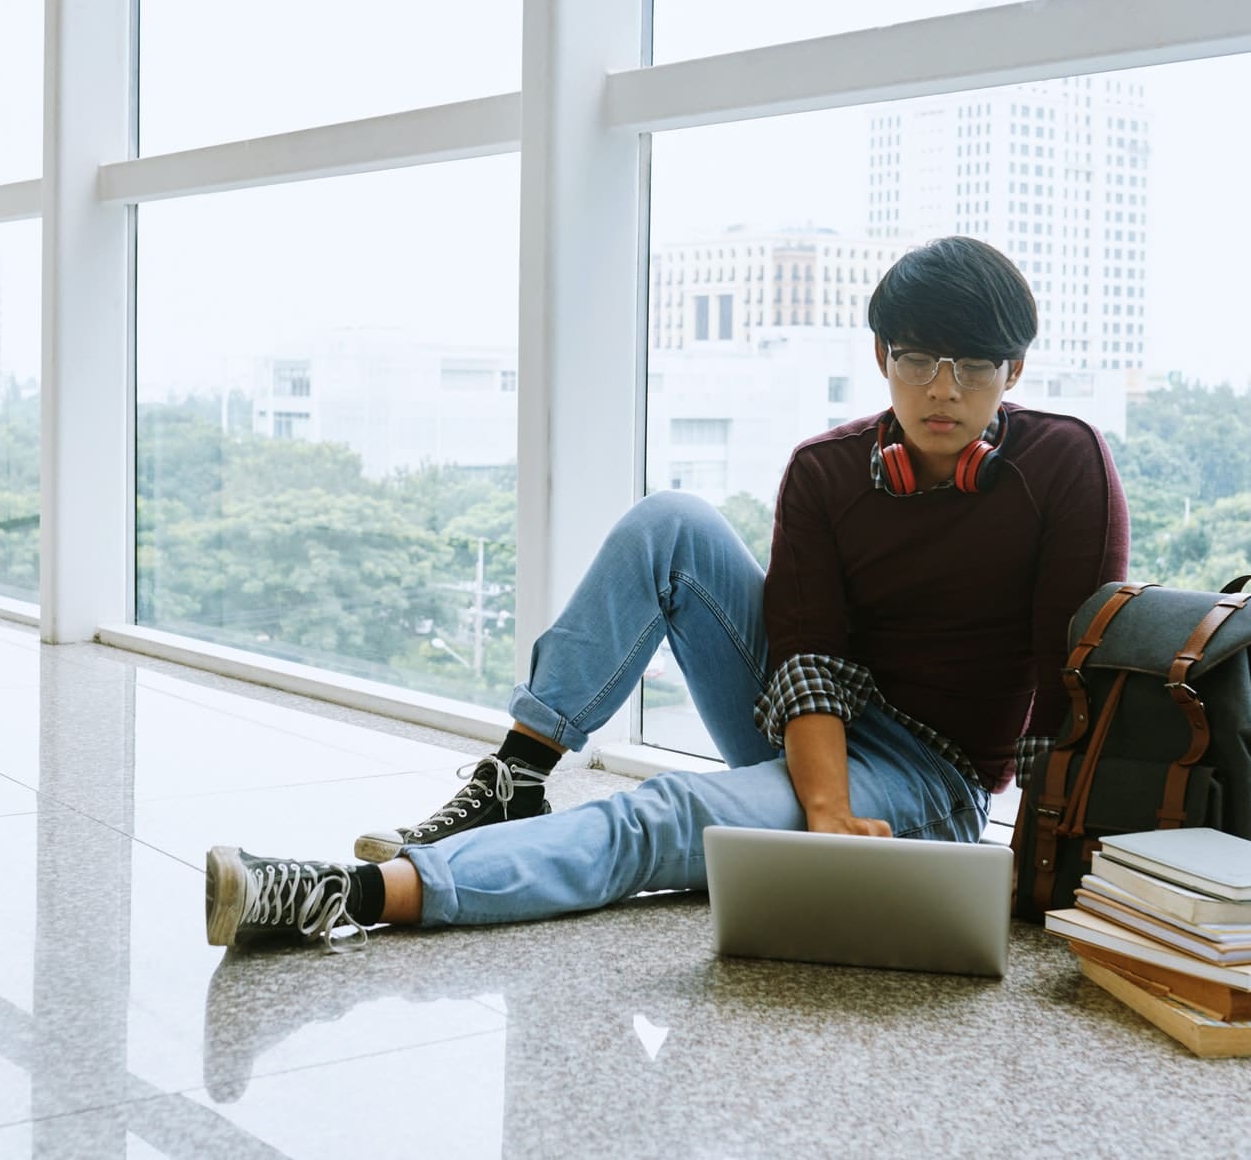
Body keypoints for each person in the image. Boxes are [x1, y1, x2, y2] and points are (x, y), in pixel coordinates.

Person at [203, 235, 1128, 950]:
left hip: (927, 772)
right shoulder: (827, 470)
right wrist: (821, 806)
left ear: (1013, 371)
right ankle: (515, 777)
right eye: (920, 357)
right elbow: (809, 659)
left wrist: (1038, 869)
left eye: (973, 366)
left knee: (667, 812)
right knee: (672, 521)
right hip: (814, 720)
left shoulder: (1063, 464)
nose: (942, 388)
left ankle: (347, 894)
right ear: (882, 352)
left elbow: (1068, 689)